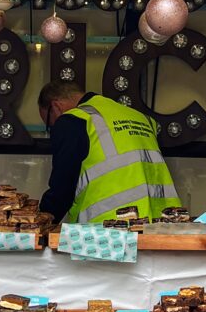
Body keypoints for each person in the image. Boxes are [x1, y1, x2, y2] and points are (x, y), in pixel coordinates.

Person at [37, 80, 181, 226]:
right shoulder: (140, 118)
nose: (53, 128)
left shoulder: (74, 120)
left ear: (56, 106)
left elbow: (62, 187)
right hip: (163, 225)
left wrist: (39, 221)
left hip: (112, 229)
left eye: (49, 124)